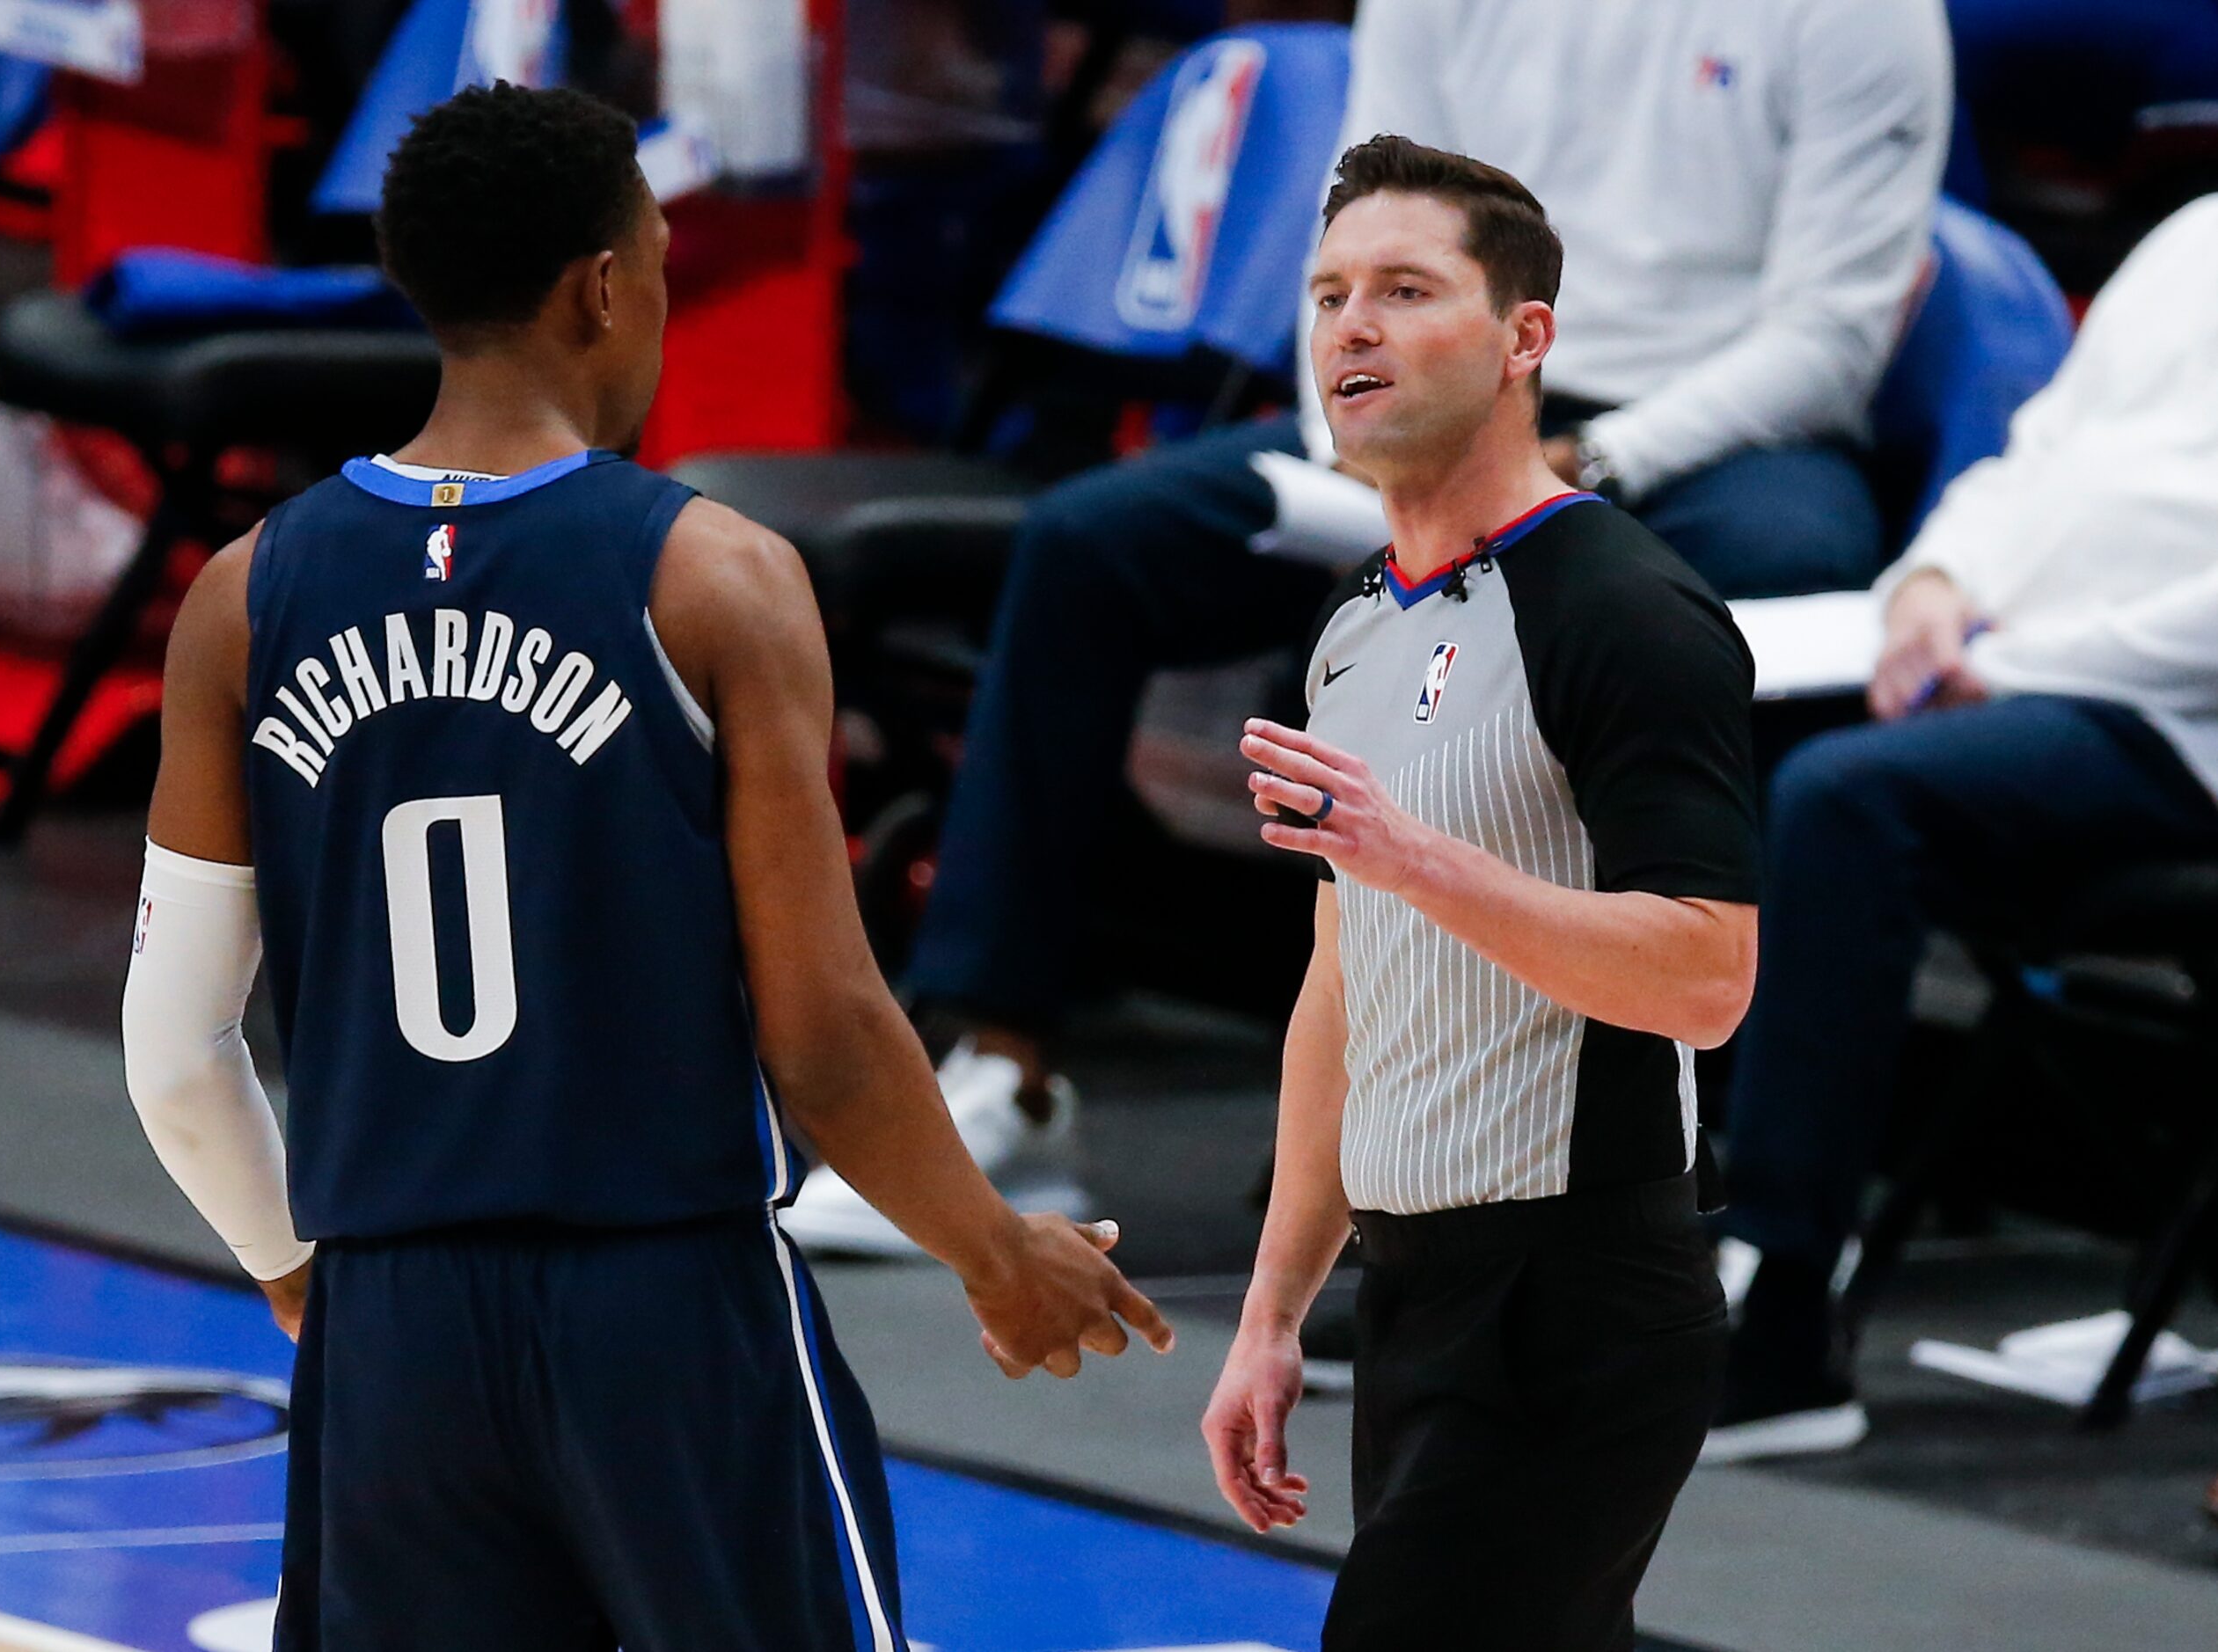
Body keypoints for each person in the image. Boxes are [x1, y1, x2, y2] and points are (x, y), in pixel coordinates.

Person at [117, 84, 1171, 1650]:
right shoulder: (715, 577)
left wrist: (296, 1273)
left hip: (393, 1323)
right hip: (667, 1307)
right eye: (661, 265)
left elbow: (175, 1052)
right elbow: (819, 1026)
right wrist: (991, 1248)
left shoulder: (240, 596)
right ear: (601, 287)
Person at [782, 0, 1946, 1256]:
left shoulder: (1863, 16)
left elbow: (1827, 341)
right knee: (1087, 549)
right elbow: (1355, 237)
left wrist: (1584, 458)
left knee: (1780, 591)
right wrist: (1354, 420)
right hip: (1446, 387)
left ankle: (1681, 1172)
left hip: (1708, 436)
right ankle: (997, 1077)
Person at [1200, 135, 1760, 1650]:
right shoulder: (1349, 635)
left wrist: (1413, 856)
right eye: (1326, 295)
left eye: (1402, 289)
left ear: (1525, 338)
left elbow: (1708, 974)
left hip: (1577, 1294)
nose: (1349, 329)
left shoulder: (1627, 612)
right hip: (1413, 1289)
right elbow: (1344, 976)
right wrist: (1268, 1316)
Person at [1706, 193, 2218, 1463]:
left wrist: (2029, 657)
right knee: (1692, 714)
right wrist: (1930, 586)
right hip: (2021, 670)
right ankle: (1593, 1239)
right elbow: (2035, 454)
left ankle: (1773, 1311)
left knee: (1847, 799)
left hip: (2172, 718)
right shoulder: (2193, 234)